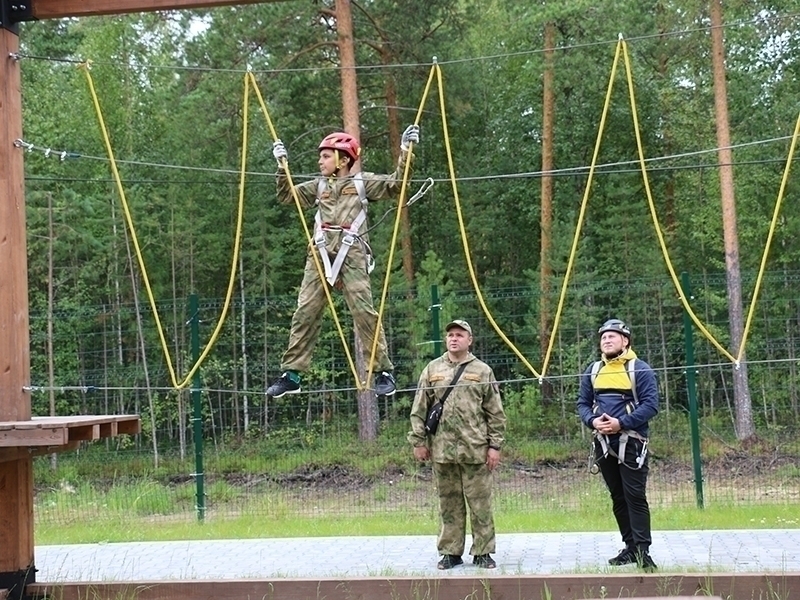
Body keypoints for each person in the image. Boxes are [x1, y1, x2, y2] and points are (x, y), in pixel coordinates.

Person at [266, 125, 420, 399]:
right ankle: (292, 375)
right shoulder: (318, 186)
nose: (320, 161)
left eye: (325, 156)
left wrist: (406, 151)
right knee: (305, 311)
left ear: (343, 159)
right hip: (320, 255)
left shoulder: (362, 183)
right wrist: (281, 166)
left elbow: (398, 184)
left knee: (364, 312)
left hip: (352, 254)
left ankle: (382, 371)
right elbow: (287, 195)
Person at [408, 319, 506, 570]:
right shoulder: (432, 369)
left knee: (480, 503)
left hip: (475, 449)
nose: (454, 338)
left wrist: (494, 446)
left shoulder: (482, 371)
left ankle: (483, 552)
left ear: (469, 340)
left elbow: (495, 412)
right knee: (448, 502)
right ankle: (450, 552)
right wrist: (418, 441)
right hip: (442, 449)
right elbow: (419, 408)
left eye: (459, 335)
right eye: (450, 334)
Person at [577, 318, 659, 570]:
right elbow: (582, 403)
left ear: (625, 341)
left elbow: (650, 405)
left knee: (634, 495)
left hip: (631, 443)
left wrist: (620, 423)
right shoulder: (593, 370)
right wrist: (592, 421)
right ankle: (630, 547)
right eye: (603, 337)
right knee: (618, 496)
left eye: (612, 336)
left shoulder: (639, 369)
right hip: (603, 443)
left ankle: (643, 551)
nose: (607, 340)